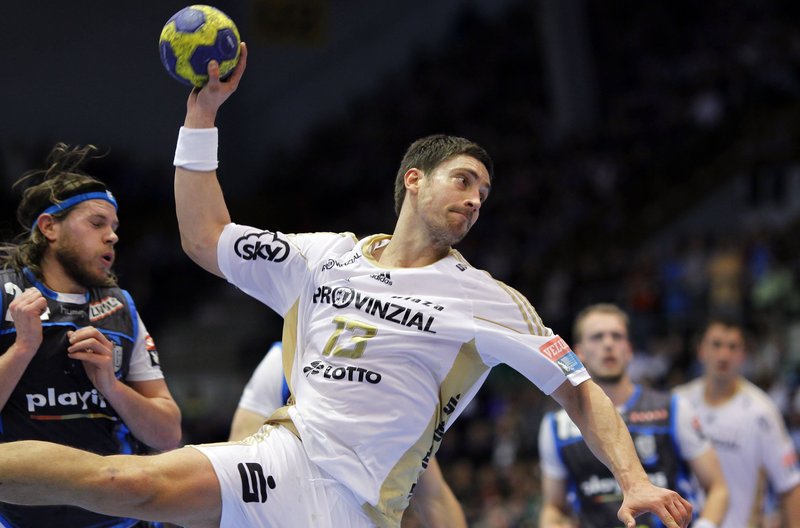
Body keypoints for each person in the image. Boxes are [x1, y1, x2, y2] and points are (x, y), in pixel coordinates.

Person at [0, 45, 693, 528]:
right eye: (464, 180)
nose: (475, 200)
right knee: (124, 481)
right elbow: (205, 238)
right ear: (414, 180)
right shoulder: (324, 256)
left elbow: (579, 389)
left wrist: (634, 480)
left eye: (484, 193)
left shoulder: (491, 299)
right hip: (282, 455)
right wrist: (202, 114)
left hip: (354, 505)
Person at [0, 143, 182, 528]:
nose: (112, 236)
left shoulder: (121, 306)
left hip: (120, 520)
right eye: (97, 223)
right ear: (49, 227)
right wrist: (23, 348)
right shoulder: (4, 295)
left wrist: (111, 386)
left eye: (114, 227)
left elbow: (167, 434)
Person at [228, 341, 468, 528]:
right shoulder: (282, 364)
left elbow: (433, 499)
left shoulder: (391, 383)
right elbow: (241, 474)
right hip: (289, 498)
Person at [538, 303, 728, 527]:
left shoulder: (673, 408)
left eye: (616, 336)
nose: (608, 344)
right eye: (597, 337)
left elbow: (718, 488)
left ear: (629, 350)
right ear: (578, 353)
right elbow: (553, 507)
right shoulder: (556, 426)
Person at [675, 317, 800, 528]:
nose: (724, 355)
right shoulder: (679, 402)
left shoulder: (762, 412)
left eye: (732, 347)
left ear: (743, 354)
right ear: (701, 350)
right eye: (716, 345)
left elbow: (789, 485)